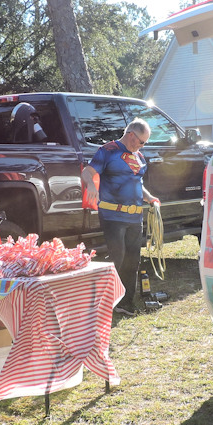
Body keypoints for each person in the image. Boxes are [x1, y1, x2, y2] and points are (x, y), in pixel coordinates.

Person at [82, 118, 160, 316]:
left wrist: (150, 198)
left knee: (133, 261)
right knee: (117, 258)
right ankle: (107, 302)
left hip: (135, 217)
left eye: (145, 143)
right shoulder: (108, 151)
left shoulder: (139, 156)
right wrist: (91, 184)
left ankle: (126, 303)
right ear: (131, 135)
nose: (143, 146)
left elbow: (136, 182)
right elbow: (86, 172)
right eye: (141, 141)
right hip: (113, 216)